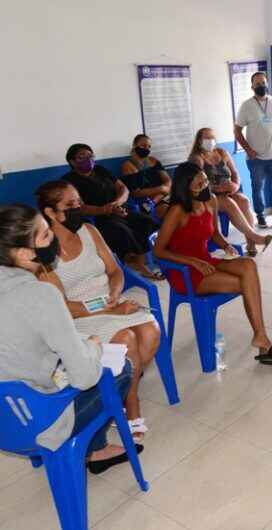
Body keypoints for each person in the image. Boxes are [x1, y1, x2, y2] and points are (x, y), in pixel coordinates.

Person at [0, 204, 141, 474]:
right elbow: (85, 377)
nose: (53, 237)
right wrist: (92, 347)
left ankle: (93, 447)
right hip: (36, 422)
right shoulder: (42, 294)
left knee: (66, 366)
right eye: (44, 235)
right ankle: (95, 449)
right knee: (120, 369)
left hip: (4, 420)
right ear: (22, 253)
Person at [35, 180, 160, 441]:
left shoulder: (90, 231)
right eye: (70, 205)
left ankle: (123, 389)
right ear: (50, 213)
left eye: (79, 202)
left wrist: (114, 294)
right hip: (78, 318)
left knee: (150, 330)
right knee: (126, 339)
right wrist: (110, 311)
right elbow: (61, 307)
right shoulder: (43, 250)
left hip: (111, 304)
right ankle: (131, 400)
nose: (78, 208)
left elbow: (115, 270)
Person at [154, 162, 272, 367]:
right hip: (186, 272)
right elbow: (158, 250)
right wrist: (192, 261)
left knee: (248, 266)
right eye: (198, 185)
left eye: (205, 181)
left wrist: (226, 245)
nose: (204, 186)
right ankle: (262, 340)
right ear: (184, 187)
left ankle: (260, 336)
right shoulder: (177, 211)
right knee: (245, 284)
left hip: (206, 261)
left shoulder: (211, 201)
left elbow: (214, 233)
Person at [62, 143, 161, 280]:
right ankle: (124, 267)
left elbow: (123, 189)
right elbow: (81, 207)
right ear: (72, 161)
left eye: (90, 156)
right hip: (99, 218)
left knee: (147, 222)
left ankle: (140, 263)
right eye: (82, 157)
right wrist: (106, 210)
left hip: (120, 209)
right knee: (121, 231)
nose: (88, 160)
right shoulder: (69, 181)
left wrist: (117, 203)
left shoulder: (101, 170)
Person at [189, 127, 272, 256]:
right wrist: (217, 188)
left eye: (212, 138)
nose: (210, 141)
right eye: (206, 138)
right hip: (209, 196)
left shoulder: (222, 152)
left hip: (228, 191)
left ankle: (250, 243)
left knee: (244, 201)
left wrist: (234, 185)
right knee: (229, 203)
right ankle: (257, 238)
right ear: (199, 141)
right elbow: (197, 184)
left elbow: (235, 173)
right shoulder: (197, 158)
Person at [234, 71, 272, 229]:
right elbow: (237, 131)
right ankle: (260, 217)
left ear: (267, 83)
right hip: (256, 159)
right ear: (252, 86)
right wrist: (248, 150)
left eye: (263, 82)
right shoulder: (247, 106)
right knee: (257, 187)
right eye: (258, 84)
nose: (261, 86)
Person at [121, 134, 172, 219]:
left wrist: (161, 192)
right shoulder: (128, 165)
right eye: (143, 146)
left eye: (149, 146)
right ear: (135, 146)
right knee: (170, 211)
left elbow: (168, 181)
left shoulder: (153, 160)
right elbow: (136, 193)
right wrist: (161, 189)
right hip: (147, 203)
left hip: (160, 198)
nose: (147, 149)